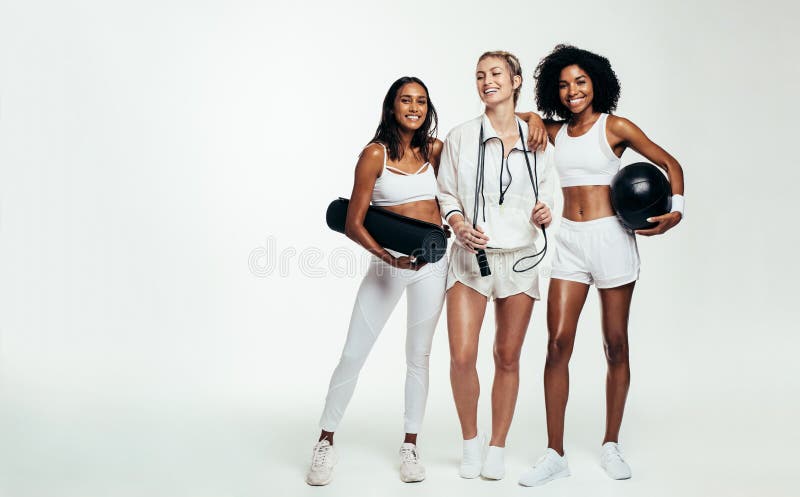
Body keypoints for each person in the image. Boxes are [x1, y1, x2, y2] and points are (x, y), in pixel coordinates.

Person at [517, 44, 685, 487]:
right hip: (569, 242)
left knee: (615, 345)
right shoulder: (556, 132)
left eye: (580, 81)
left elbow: (670, 162)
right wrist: (532, 117)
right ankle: (555, 453)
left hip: (612, 239)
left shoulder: (616, 127)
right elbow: (512, 118)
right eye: (564, 84)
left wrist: (677, 208)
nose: (573, 91)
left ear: (596, 84)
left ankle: (611, 443)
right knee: (557, 344)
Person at [306, 77, 448, 485]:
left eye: (421, 101)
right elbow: (353, 222)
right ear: (392, 107)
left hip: (432, 266)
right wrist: (390, 258)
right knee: (354, 352)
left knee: (418, 356)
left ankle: (410, 445)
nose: (414, 107)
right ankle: (325, 441)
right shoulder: (374, 155)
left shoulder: (435, 151)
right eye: (406, 100)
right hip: (389, 265)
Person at [437, 51, 554, 481]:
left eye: (496, 74)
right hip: (471, 258)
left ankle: (497, 446)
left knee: (507, 356)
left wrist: (545, 213)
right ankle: (470, 440)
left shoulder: (536, 138)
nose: (488, 81)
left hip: (521, 259)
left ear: (516, 80)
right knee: (462, 355)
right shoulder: (461, 137)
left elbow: (550, 194)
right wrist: (458, 224)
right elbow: (446, 194)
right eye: (480, 75)